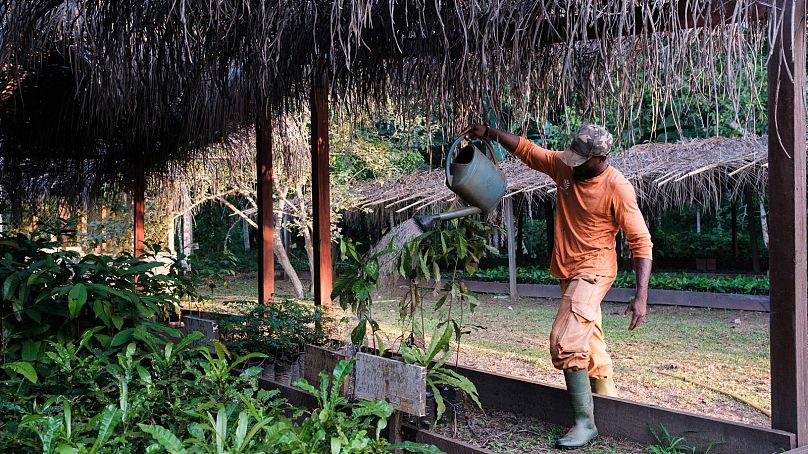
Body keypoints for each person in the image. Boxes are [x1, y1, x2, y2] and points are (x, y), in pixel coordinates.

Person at [461, 123, 653, 449]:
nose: (573, 163)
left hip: (594, 271)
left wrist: (641, 297)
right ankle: (608, 400)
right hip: (568, 269)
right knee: (588, 335)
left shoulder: (616, 187)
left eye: (582, 159)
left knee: (565, 340)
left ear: (600, 158)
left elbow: (641, 242)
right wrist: (490, 133)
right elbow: (527, 150)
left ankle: (585, 423)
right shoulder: (565, 166)